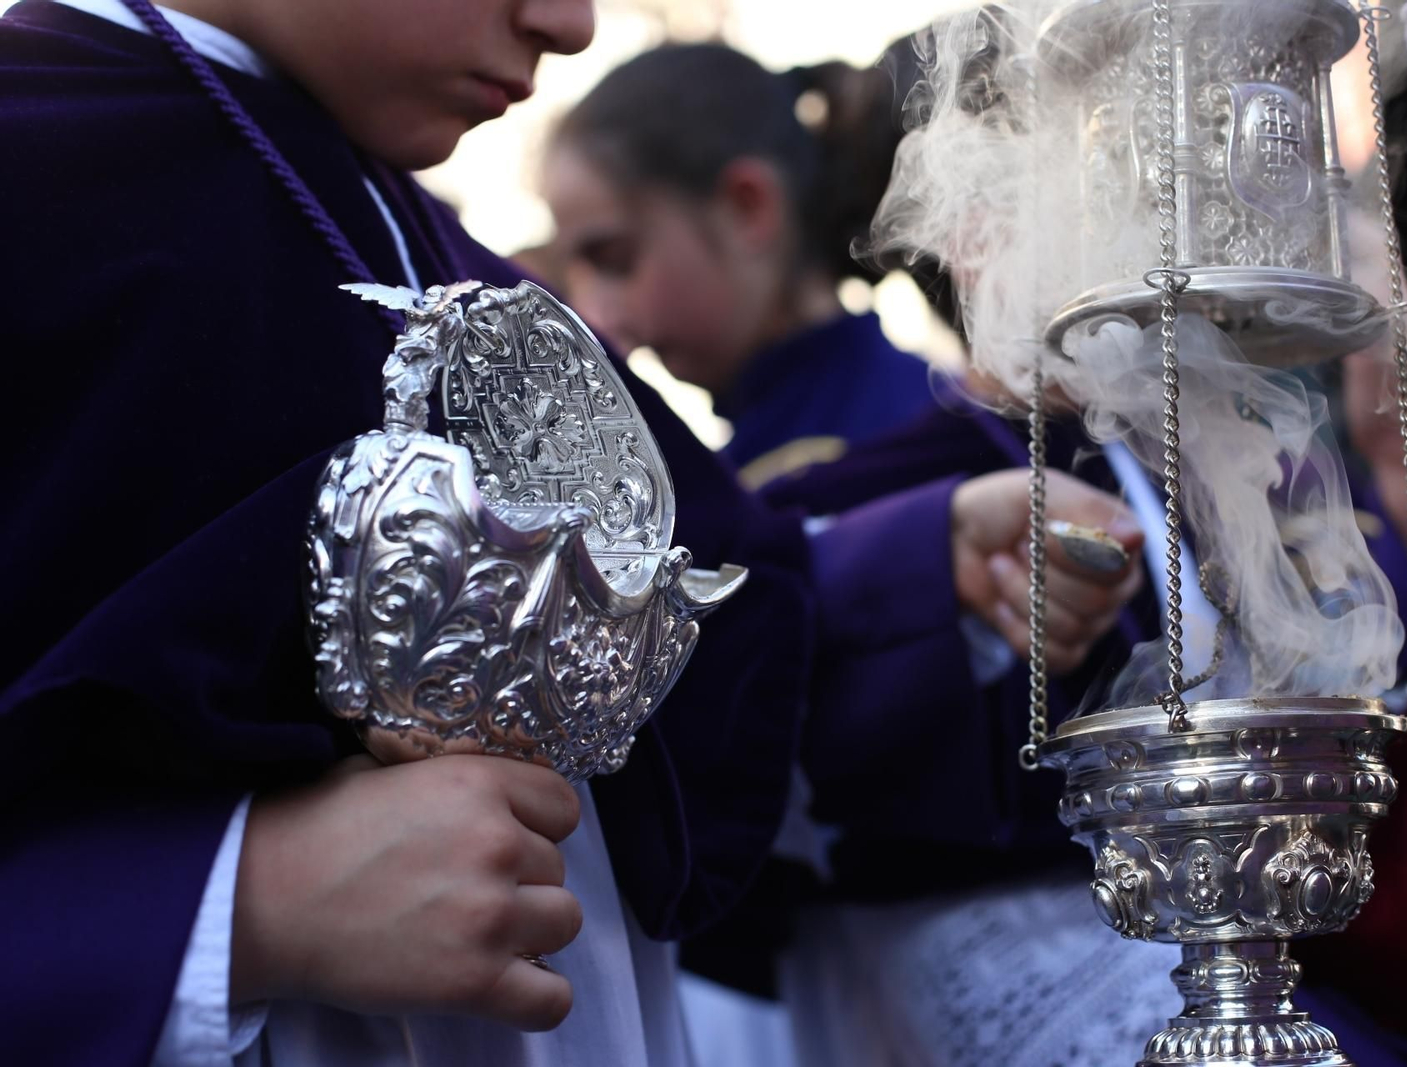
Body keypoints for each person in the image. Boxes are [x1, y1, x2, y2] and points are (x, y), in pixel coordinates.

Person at [0, 3, 1128, 1066]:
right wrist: (227, 904)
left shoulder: (394, 216)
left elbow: (648, 643)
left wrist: (916, 567)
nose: (569, 24)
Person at [541, 42, 943, 490]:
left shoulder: (914, 446)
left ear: (747, 208)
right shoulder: (746, 459)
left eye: (616, 260)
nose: (594, 317)